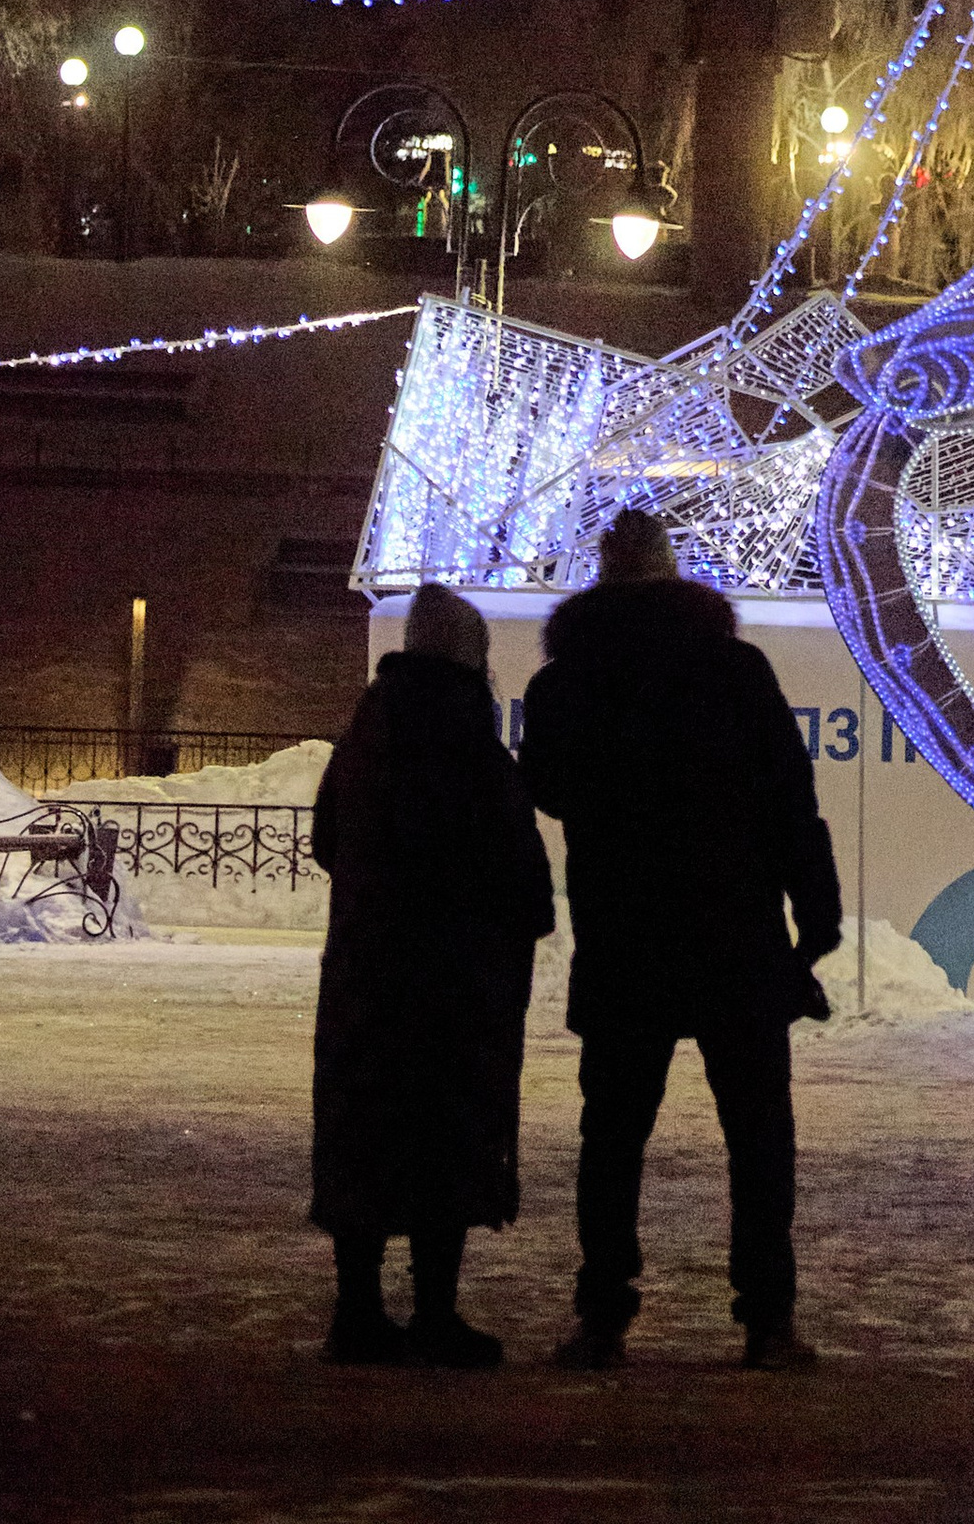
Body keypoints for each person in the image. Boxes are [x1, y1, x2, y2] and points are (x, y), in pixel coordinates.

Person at [519, 504, 841, 1371]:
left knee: (614, 1135)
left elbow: (545, 790)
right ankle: (767, 1318)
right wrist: (816, 919)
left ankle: (603, 1314)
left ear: (604, 575)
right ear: (672, 575)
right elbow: (789, 800)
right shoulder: (736, 670)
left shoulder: (568, 682)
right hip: (735, 934)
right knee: (759, 1136)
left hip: (625, 937)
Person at [310, 581, 554, 1368]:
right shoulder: (470, 747)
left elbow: (325, 840)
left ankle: (356, 1310)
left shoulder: (364, 735)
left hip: (364, 978)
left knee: (364, 1131)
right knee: (446, 1135)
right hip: (455, 986)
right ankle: (435, 1313)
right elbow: (520, 873)